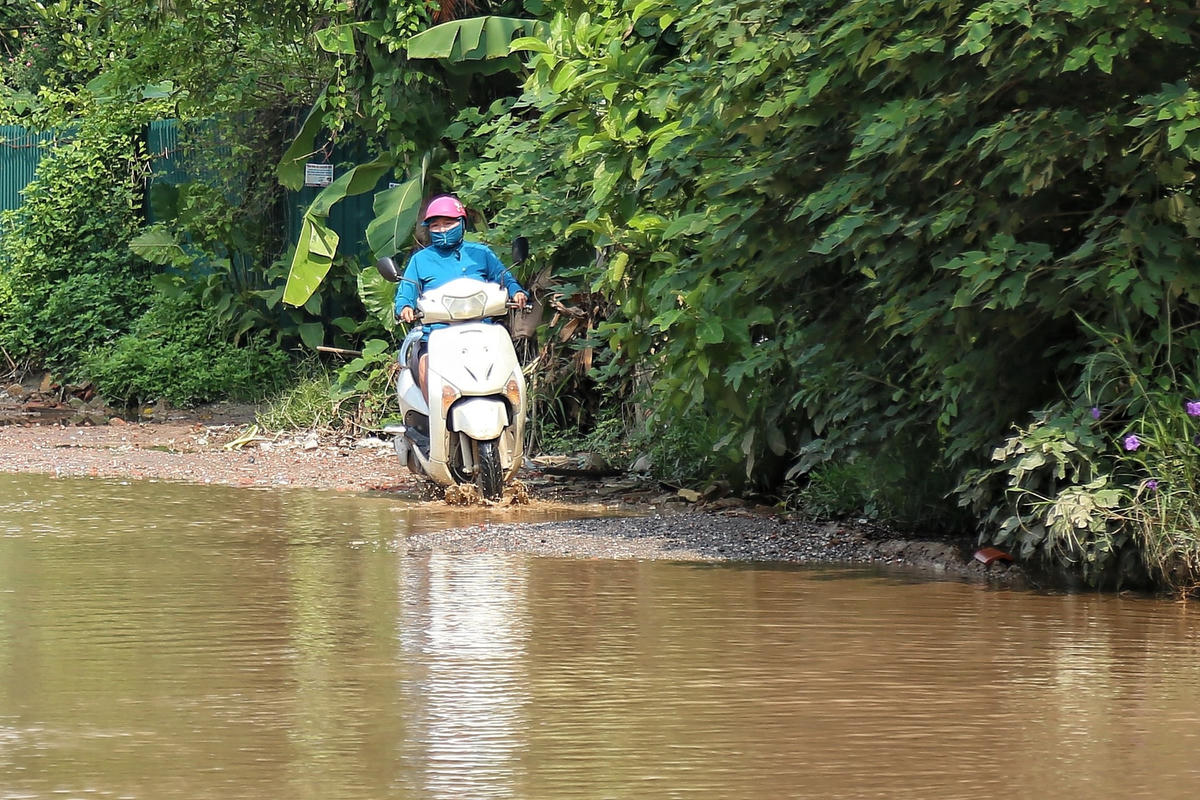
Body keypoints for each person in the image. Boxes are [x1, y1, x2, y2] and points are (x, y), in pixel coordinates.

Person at [394, 194, 528, 397]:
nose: (442, 230)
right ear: (428, 229)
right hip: (437, 334)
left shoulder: (481, 253)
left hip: (482, 332)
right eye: (436, 225)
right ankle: (434, 421)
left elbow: (504, 278)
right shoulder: (420, 260)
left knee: (509, 368)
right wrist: (404, 308)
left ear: (462, 224)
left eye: (448, 223)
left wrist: (516, 291)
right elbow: (406, 292)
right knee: (425, 363)